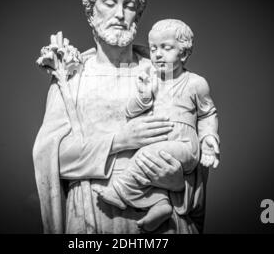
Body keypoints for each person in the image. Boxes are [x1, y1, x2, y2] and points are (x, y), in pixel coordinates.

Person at [32, 0, 220, 233]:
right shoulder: (72, 77)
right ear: (90, 11)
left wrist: (180, 183)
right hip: (94, 215)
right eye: (110, 3)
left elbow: (193, 143)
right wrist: (119, 141)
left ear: (139, 13)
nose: (120, 14)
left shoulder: (164, 72)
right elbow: (51, 158)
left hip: (163, 225)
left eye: (130, 5)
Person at [93, 19, 220, 231]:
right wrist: (144, 96)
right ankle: (160, 204)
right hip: (159, 143)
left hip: (183, 144)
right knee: (148, 169)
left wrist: (208, 139)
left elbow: (208, 114)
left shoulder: (196, 83)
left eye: (166, 48)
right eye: (153, 48)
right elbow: (130, 112)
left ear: (184, 53)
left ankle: (119, 191)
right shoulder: (151, 80)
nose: (158, 54)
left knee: (144, 157)